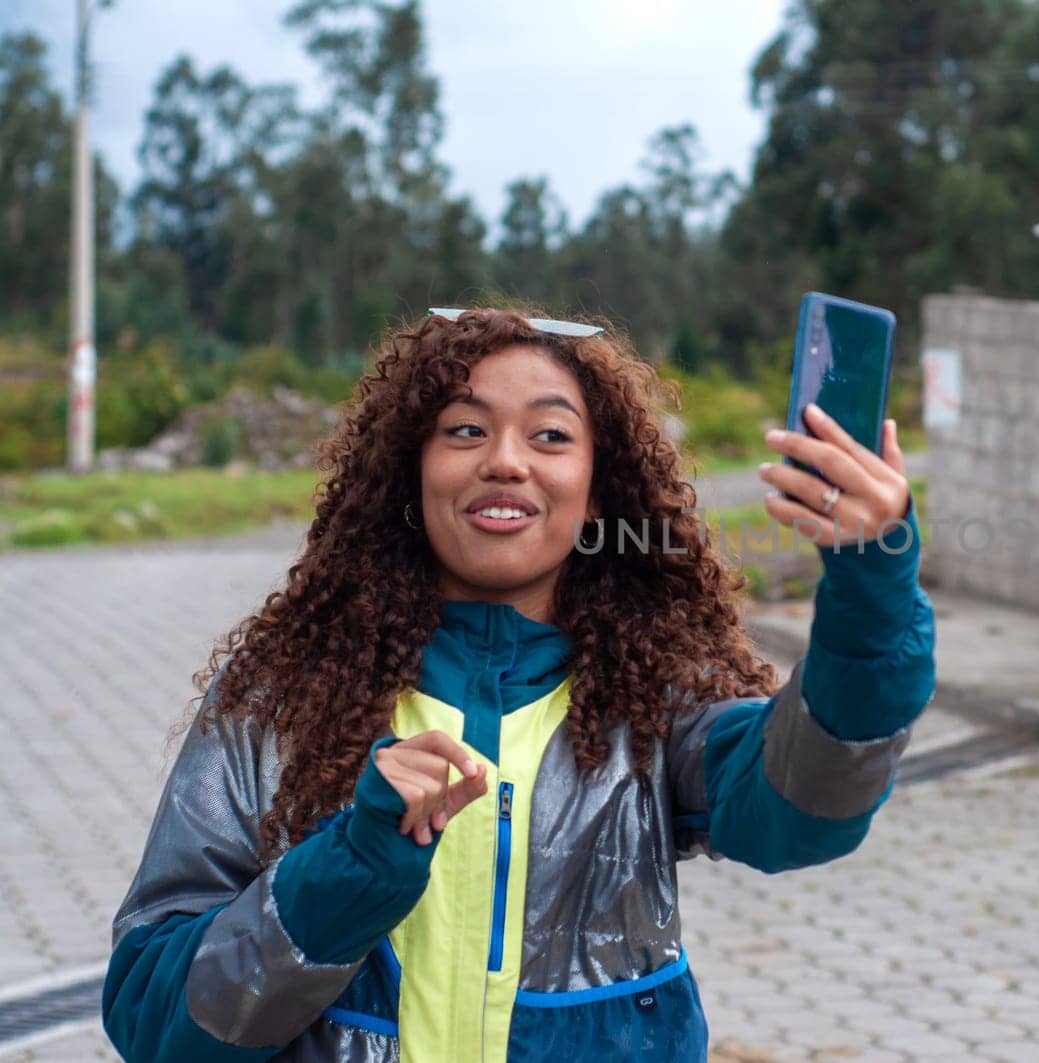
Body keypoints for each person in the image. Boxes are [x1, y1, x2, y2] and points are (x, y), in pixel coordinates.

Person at [101, 306, 936, 1061]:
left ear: (598, 488)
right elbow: (151, 1014)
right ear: (408, 471)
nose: (505, 462)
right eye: (465, 430)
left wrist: (871, 584)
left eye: (550, 436)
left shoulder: (653, 701)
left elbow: (805, 811)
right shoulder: (279, 698)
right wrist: (350, 869)